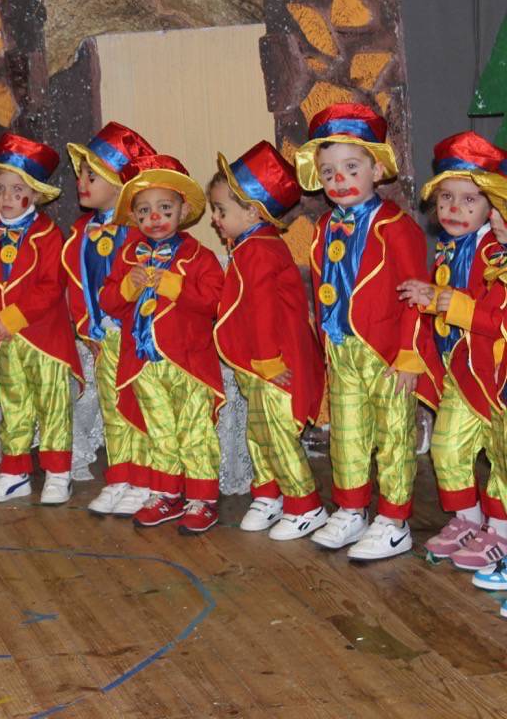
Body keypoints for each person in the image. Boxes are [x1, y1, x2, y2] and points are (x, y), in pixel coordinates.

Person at [295, 103, 442, 560]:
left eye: (351, 167)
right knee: (348, 432)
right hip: (342, 349)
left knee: (393, 435)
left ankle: (394, 518)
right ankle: (352, 506)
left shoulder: (397, 228)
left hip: (387, 353)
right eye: (329, 171)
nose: (339, 179)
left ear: (378, 169)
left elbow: (417, 294)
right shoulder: (323, 227)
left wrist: (410, 355)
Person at [398, 131, 507, 570]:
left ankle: (500, 529)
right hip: (460, 373)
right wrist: (429, 297)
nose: (454, 209)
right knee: (445, 448)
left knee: (502, 456)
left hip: (495, 378)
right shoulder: (446, 249)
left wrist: (458, 307)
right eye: (446, 198)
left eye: (468, 200)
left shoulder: (497, 252)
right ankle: (467, 518)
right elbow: (449, 305)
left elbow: (493, 315)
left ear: (490, 207)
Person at [101, 154, 225, 533]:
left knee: (194, 430)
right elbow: (108, 302)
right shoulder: (127, 257)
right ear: (135, 217)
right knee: (159, 430)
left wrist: (170, 284)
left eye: (164, 208)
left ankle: (202, 498)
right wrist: (129, 285)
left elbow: (213, 300)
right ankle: (167, 493)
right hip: (143, 361)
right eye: (144, 211)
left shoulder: (198, 257)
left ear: (183, 210)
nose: (154, 218)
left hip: (187, 363)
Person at [210, 141, 327, 540]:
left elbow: (262, 310)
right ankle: (268, 493)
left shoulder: (259, 250)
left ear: (253, 211)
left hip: (277, 363)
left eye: (221, 210)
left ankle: (304, 503)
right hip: (260, 365)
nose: (214, 218)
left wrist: (267, 361)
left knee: (276, 434)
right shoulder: (248, 247)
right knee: (258, 431)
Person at [0, 132, 82, 505]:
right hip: (3, 342)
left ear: (33, 194)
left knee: (52, 406)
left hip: (44, 339)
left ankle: (57, 471)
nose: (5, 198)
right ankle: (15, 470)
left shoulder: (49, 235)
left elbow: (51, 286)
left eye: (15, 189)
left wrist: (12, 318)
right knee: (13, 405)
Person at [63, 122, 155, 517]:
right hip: (103, 337)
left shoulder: (139, 231)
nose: (81, 182)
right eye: (81, 174)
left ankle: (147, 478)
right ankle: (120, 476)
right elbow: (77, 286)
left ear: (121, 184)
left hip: (136, 337)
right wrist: (88, 330)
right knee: (113, 408)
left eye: (92, 175)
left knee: (140, 407)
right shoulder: (81, 231)